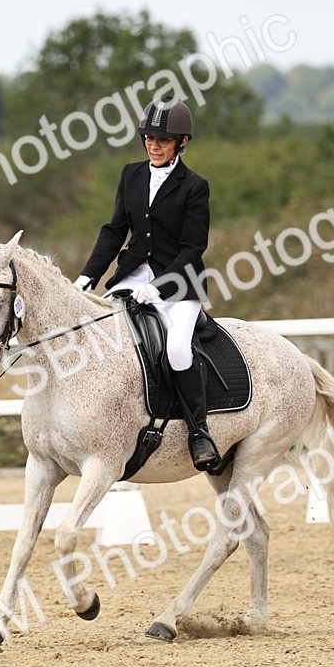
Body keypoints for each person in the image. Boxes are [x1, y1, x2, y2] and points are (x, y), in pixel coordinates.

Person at [73, 95, 221, 472]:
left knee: (176, 349)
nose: (153, 145)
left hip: (180, 284)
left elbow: (194, 247)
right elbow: (114, 231)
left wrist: (161, 288)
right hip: (131, 275)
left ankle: (199, 431)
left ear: (182, 142)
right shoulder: (131, 174)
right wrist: (88, 276)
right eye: (149, 138)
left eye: (163, 140)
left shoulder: (195, 186)